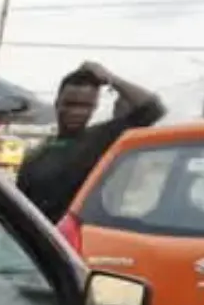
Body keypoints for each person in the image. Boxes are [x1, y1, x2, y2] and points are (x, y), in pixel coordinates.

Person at [15, 61, 166, 222]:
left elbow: (154, 108)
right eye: (70, 104)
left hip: (75, 239)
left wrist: (111, 78)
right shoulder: (37, 153)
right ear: (57, 103)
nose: (76, 112)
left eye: (85, 106)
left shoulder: (99, 139)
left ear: (94, 107)